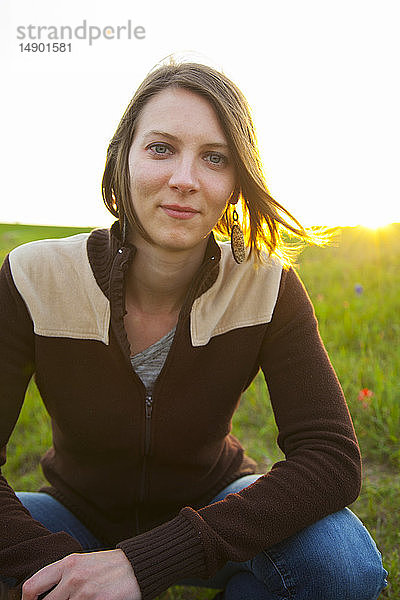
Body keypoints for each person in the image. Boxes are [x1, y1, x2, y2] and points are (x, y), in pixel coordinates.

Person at [0, 59, 388, 600]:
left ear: (236, 181)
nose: (184, 179)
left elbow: (331, 459)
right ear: (122, 160)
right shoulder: (32, 275)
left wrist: (145, 563)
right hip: (74, 519)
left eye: (214, 157)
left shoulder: (268, 283)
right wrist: (67, 572)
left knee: (342, 564)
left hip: (214, 511)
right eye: (161, 148)